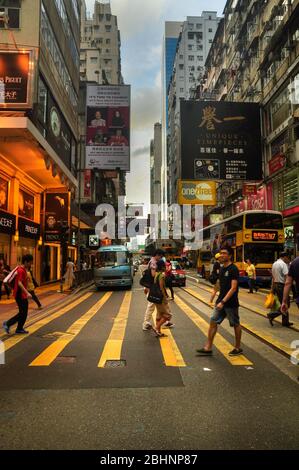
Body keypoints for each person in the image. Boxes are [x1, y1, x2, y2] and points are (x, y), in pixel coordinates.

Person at [197, 246, 243, 357]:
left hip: (230, 303)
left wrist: (223, 301)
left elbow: (233, 288)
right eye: (221, 253)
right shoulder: (222, 268)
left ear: (230, 255)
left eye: (224, 253)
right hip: (220, 301)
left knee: (235, 324)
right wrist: (216, 298)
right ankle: (208, 347)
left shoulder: (233, 269)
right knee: (213, 322)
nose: (221, 255)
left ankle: (237, 347)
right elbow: (220, 285)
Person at [3, 254, 33, 335]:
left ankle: (19, 328)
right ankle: (8, 324)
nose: (31, 264)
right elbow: (19, 283)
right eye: (30, 262)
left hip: (22, 294)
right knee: (23, 312)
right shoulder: (21, 270)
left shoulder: (22, 269)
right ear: (26, 262)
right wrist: (27, 293)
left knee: (23, 312)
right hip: (19, 294)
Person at [268, 252, 293, 327]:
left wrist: (272, 288)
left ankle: (285, 321)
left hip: (276, 284)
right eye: (287, 258)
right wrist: (288, 288)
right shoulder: (283, 264)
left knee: (282, 303)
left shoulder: (274, 264)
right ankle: (272, 315)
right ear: (284, 257)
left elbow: (273, 277)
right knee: (286, 303)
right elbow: (286, 277)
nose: (287, 259)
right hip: (282, 285)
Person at [142, 249, 165, 331]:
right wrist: (161, 274)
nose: (161, 258)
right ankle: (145, 323)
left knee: (156, 304)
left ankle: (164, 320)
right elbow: (153, 274)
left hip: (151, 286)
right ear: (157, 255)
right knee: (151, 305)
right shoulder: (153, 262)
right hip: (152, 287)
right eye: (161, 256)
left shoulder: (152, 261)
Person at [153, 260, 172, 337]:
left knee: (159, 314)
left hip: (156, 297)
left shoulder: (156, 274)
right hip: (161, 298)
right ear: (162, 267)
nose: (166, 267)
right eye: (165, 266)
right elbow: (162, 288)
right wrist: (165, 297)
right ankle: (156, 327)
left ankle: (159, 332)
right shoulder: (161, 275)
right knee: (168, 315)